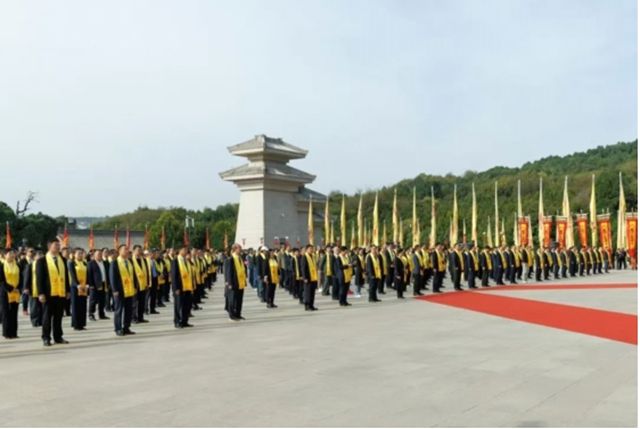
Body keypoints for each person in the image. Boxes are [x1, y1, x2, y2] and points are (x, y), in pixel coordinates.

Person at [36, 240, 70, 346]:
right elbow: (39, 279)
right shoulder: (42, 261)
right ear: (49, 246)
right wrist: (41, 293)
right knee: (47, 317)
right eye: (56, 245)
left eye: (59, 245)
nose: (58, 247)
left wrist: (67, 290)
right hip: (48, 294)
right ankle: (46, 338)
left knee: (58, 317)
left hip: (60, 293)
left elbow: (65, 277)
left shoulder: (63, 260)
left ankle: (58, 337)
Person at [109, 245, 136, 336]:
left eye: (128, 249)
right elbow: (112, 277)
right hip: (120, 291)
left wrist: (135, 286)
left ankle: (126, 327)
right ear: (119, 251)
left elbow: (133, 275)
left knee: (129, 310)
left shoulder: (129, 262)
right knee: (119, 310)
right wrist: (114, 289)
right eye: (125, 249)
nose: (127, 251)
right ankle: (118, 328)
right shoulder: (115, 262)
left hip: (129, 290)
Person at [170, 246, 194, 328]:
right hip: (179, 288)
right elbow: (174, 276)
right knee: (178, 306)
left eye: (187, 250)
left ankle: (184, 321)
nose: (186, 251)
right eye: (184, 250)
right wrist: (176, 288)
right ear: (179, 250)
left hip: (187, 287)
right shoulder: (175, 261)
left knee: (186, 305)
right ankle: (177, 321)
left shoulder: (186, 261)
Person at [0, 249, 22, 339]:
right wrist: (11, 288)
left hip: (16, 293)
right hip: (5, 292)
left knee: (14, 312)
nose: (12, 255)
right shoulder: (1, 266)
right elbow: (1, 280)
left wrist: (18, 287)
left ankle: (14, 332)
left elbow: (21, 277)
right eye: (10, 254)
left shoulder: (17, 265)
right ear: (5, 255)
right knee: (6, 313)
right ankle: (7, 333)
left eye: (13, 254)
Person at [68, 248, 89, 330]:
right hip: (75, 287)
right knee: (76, 306)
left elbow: (87, 274)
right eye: (78, 253)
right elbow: (72, 275)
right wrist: (77, 285)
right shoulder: (71, 263)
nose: (80, 255)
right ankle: (76, 324)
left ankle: (82, 324)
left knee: (83, 305)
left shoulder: (84, 263)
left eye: (81, 253)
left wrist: (87, 283)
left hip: (84, 287)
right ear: (74, 254)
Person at [224, 244, 247, 320]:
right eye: (239, 248)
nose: (240, 250)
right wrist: (229, 283)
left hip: (240, 282)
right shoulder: (231, 259)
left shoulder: (240, 258)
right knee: (232, 299)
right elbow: (228, 272)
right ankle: (232, 315)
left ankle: (238, 314)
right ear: (235, 249)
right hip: (234, 282)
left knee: (239, 299)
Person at [23, 250, 43, 327]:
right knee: (34, 306)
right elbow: (26, 277)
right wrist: (26, 287)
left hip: (42, 289)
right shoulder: (30, 265)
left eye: (41, 256)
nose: (40, 257)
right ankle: (35, 321)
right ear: (34, 257)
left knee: (41, 306)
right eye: (39, 256)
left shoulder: (44, 266)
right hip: (33, 288)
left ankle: (41, 320)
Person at [87, 249, 109, 321]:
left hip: (104, 283)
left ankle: (101, 314)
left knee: (102, 300)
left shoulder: (105, 263)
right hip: (95, 284)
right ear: (94, 255)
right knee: (93, 300)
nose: (99, 255)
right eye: (97, 254)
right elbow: (89, 275)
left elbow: (107, 274)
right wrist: (91, 285)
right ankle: (91, 314)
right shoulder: (91, 263)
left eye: (100, 254)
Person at [131, 245, 150, 324]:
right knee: (134, 303)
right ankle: (133, 318)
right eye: (137, 250)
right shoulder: (130, 260)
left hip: (143, 284)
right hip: (135, 285)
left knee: (142, 302)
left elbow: (147, 272)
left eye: (140, 250)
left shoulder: (144, 260)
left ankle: (140, 317)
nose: (139, 252)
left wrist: (148, 282)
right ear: (134, 251)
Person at [300, 244, 318, 311]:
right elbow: (303, 268)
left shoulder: (313, 256)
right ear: (307, 249)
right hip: (308, 278)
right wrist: (305, 278)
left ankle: (311, 305)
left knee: (312, 292)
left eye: (312, 249)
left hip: (313, 277)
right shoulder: (304, 257)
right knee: (308, 292)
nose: (311, 250)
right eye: (310, 249)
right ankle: (307, 306)